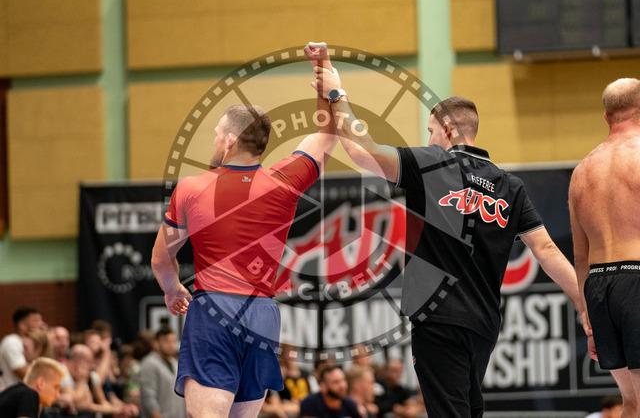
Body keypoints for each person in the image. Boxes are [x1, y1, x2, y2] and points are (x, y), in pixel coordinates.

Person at [309, 43, 588, 417]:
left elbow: (361, 151)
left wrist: (336, 93)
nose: (428, 140)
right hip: (483, 325)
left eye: (431, 131)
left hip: (439, 319)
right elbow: (547, 251)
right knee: (468, 410)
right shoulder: (510, 186)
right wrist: (582, 302)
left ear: (448, 129)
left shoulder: (430, 164)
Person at [151, 43, 338, 418]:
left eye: (217, 133)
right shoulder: (284, 181)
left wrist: (172, 290)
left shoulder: (192, 188)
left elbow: (161, 258)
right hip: (262, 314)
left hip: (214, 312)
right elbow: (328, 136)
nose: (215, 139)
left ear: (230, 140)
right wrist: (326, 73)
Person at [569, 77, 640, 417]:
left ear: (606, 117)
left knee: (632, 403)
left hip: (599, 288)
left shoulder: (582, 172)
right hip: (636, 278)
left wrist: (588, 319)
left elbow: (580, 257)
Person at [139, 327, 185, 418]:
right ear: (156, 343)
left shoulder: (175, 363)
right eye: (166, 341)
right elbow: (148, 396)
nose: (171, 345)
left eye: (173, 341)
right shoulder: (149, 363)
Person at [0, 357, 65, 418]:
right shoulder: (28, 394)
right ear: (41, 383)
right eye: (56, 388)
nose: (58, 396)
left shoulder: (16, 392)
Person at [0, 307, 45, 390]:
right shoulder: (12, 341)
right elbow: (26, 375)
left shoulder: (40, 342)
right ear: (22, 325)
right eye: (36, 320)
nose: (42, 324)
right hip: (11, 393)